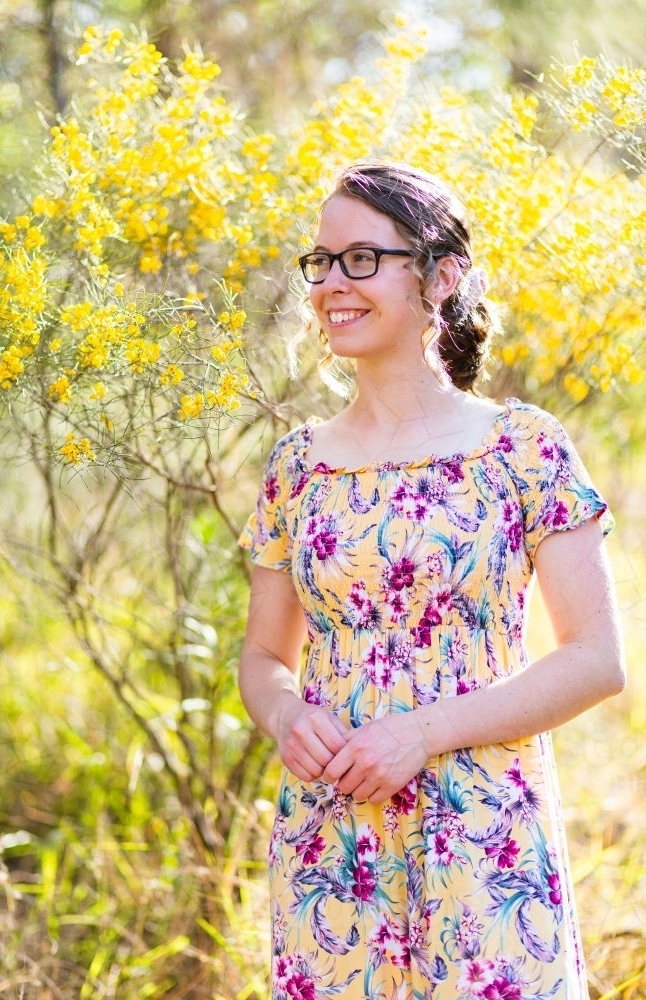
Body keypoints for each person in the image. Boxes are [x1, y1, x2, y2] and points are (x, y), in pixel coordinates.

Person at [237, 162, 625, 1000]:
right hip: (331, 838)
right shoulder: (297, 464)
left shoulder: (522, 445)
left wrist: (423, 732)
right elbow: (264, 655)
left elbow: (596, 659)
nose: (331, 285)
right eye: (321, 261)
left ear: (440, 276)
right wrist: (285, 714)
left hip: (484, 835)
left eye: (361, 260)